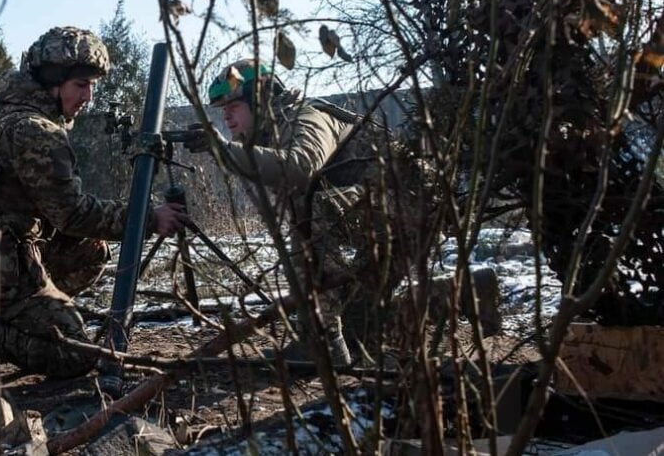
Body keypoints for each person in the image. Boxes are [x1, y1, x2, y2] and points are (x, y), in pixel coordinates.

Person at [0, 26, 188, 389]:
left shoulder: (1, 110)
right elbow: (72, 213)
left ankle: (21, 318)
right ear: (53, 82)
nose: (88, 96)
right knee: (75, 355)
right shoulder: (34, 129)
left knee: (90, 252)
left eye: (92, 85)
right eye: (80, 85)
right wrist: (149, 218)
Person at [183, 59, 500, 365]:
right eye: (222, 110)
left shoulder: (305, 118)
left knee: (308, 214)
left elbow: (300, 167)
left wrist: (223, 149)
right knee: (362, 329)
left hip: (413, 212)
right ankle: (469, 292)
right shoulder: (271, 134)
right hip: (389, 218)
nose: (225, 117)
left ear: (261, 100)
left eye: (233, 107)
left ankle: (319, 340)